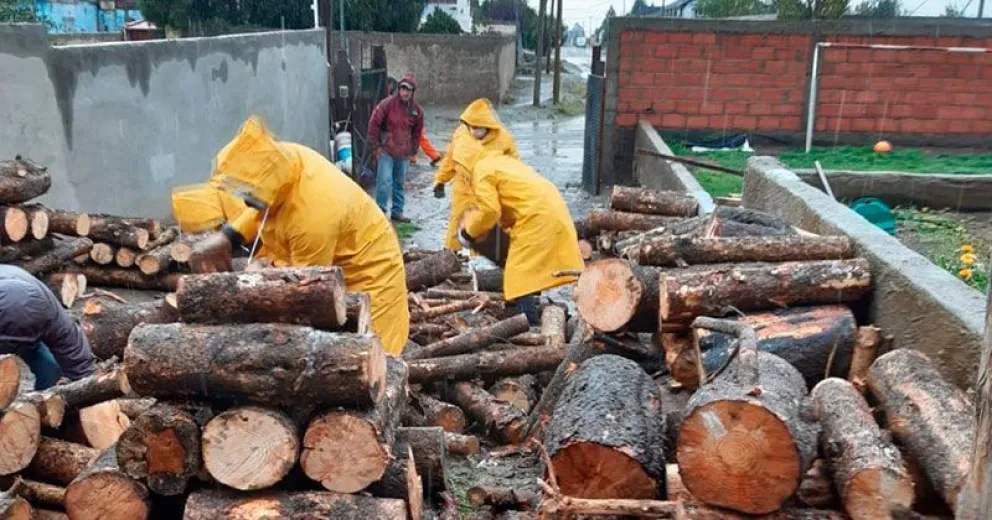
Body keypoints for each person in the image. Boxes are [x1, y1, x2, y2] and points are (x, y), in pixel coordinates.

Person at [188, 117, 410, 356]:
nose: (245, 201)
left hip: (370, 285)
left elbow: (305, 290)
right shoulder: (283, 162)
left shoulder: (315, 213)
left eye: (248, 193)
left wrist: (262, 276)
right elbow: (262, 210)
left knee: (365, 362)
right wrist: (228, 237)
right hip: (338, 264)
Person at [453, 139, 584, 325]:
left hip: (536, 217)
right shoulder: (501, 162)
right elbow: (512, 200)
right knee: (528, 265)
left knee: (519, 274)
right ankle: (531, 308)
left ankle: (530, 327)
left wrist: (469, 232)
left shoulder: (482, 169)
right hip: (551, 210)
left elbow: (489, 210)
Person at [433, 99, 519, 252]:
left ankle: (485, 264)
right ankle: (450, 257)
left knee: (485, 229)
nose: (474, 130)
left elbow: (515, 169)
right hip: (463, 190)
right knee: (456, 228)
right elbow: (450, 160)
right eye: (471, 126)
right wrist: (440, 180)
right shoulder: (461, 134)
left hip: (488, 193)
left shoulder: (504, 139)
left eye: (478, 127)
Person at [0, 265, 95, 389]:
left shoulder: (52, 315)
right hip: (7, 308)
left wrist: (87, 389)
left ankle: (42, 399)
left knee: (51, 368)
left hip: (28, 332)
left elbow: (77, 358)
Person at [368, 74, 424, 223]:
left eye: (409, 89)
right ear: (399, 89)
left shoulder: (417, 111)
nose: (405, 92)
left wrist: (413, 150)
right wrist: (376, 146)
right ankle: (380, 212)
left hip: (403, 153)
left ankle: (397, 212)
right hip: (386, 150)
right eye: (403, 88)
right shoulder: (387, 104)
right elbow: (374, 123)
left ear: (413, 92)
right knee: (384, 181)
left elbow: (417, 131)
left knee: (399, 183)